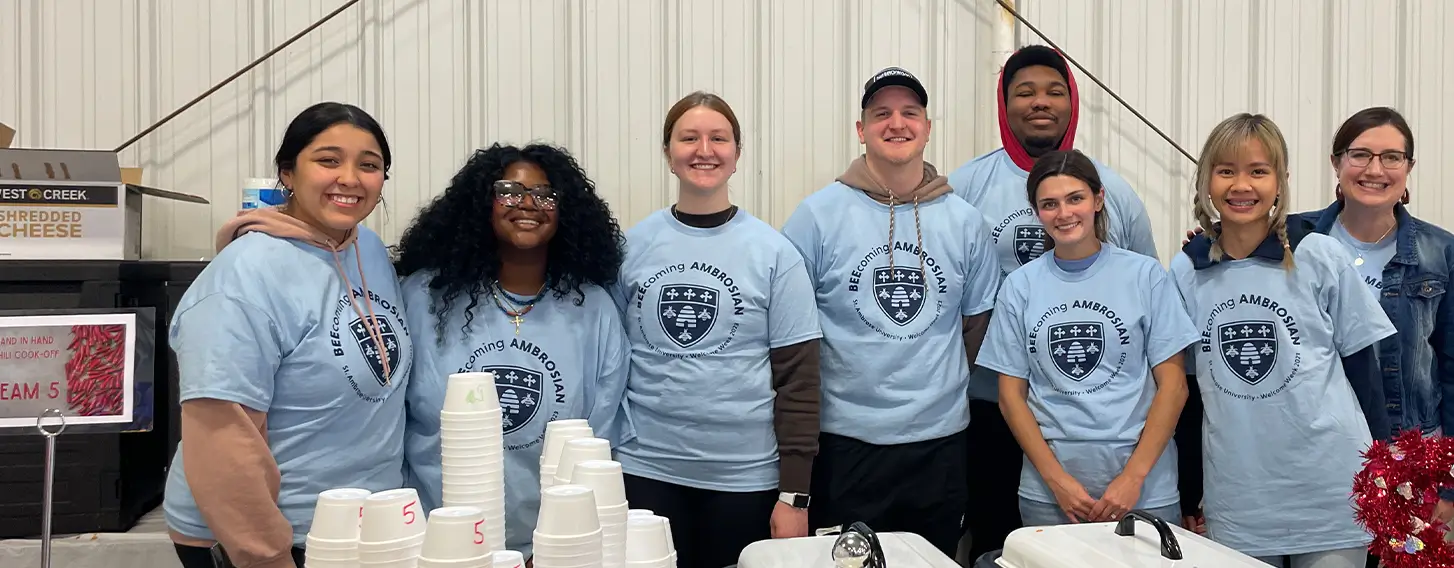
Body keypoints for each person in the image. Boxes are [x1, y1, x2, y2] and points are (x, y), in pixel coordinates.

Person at [163, 102, 412, 568]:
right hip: (264, 536)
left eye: (369, 165)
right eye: (328, 160)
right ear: (289, 174)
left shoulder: (368, 249)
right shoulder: (241, 282)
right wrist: (267, 554)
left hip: (357, 524)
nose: (351, 178)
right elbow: (221, 440)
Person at [944, 44, 1158, 560]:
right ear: (1004, 103)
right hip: (991, 401)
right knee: (1003, 541)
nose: (1041, 102)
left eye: (1054, 91)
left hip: (1089, 411)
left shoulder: (1116, 191)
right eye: (1025, 92)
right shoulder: (965, 186)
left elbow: (1148, 296)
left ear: (1072, 102)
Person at [781, 67, 1001, 556]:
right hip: (845, 443)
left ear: (926, 126)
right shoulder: (816, 216)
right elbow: (793, 333)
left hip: (940, 443)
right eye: (882, 113)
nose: (896, 123)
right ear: (861, 130)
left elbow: (975, 327)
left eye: (910, 112)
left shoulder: (965, 222)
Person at [1171, 113, 1395, 567]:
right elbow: (1188, 393)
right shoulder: (1185, 271)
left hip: (1333, 487)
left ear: (1281, 180)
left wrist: (1385, 471)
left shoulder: (1319, 254)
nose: (1241, 185)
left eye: (1258, 171)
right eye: (1226, 170)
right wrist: (1190, 491)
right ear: (1206, 180)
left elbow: (1365, 373)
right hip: (1239, 499)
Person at [612, 92, 823, 567]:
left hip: (744, 478)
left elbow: (800, 382)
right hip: (644, 469)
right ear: (668, 154)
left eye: (718, 138)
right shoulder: (632, 247)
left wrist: (796, 496)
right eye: (689, 138)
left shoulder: (774, 254)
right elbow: (610, 364)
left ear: (736, 155)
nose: (703, 149)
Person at [396, 143, 633, 561]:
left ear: (566, 212)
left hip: (554, 546)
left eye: (545, 195)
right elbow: (392, 419)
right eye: (508, 190)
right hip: (438, 543)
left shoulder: (594, 310)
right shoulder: (422, 297)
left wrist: (562, 542)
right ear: (481, 204)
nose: (528, 204)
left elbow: (598, 438)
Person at [977, 149, 1195, 528]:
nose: (1064, 213)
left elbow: (1174, 387)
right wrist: (1056, 482)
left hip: (1145, 492)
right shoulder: (1019, 287)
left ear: (1098, 199)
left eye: (1075, 198)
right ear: (1036, 211)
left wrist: (1133, 479)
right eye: (1050, 204)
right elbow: (1011, 397)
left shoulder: (1146, 276)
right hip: (1052, 496)